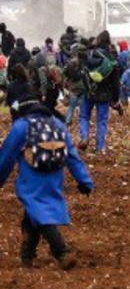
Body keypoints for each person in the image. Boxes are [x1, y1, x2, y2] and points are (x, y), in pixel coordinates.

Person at [0, 97, 93, 270]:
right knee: (34, 212)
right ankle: (27, 256)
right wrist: (84, 181)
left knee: (41, 213)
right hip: (54, 178)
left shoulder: (22, 126)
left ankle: (61, 251)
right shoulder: (58, 125)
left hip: (31, 178)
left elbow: (6, 156)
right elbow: (72, 156)